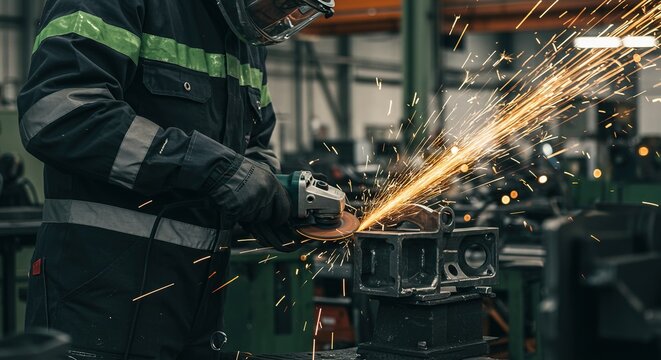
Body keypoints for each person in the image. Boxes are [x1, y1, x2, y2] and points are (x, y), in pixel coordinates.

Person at [17, 0, 335, 359]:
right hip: (98, 300)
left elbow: (252, 146)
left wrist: (267, 198)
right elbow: (57, 112)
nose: (276, 15)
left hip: (198, 310)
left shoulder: (246, 41)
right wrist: (214, 170)